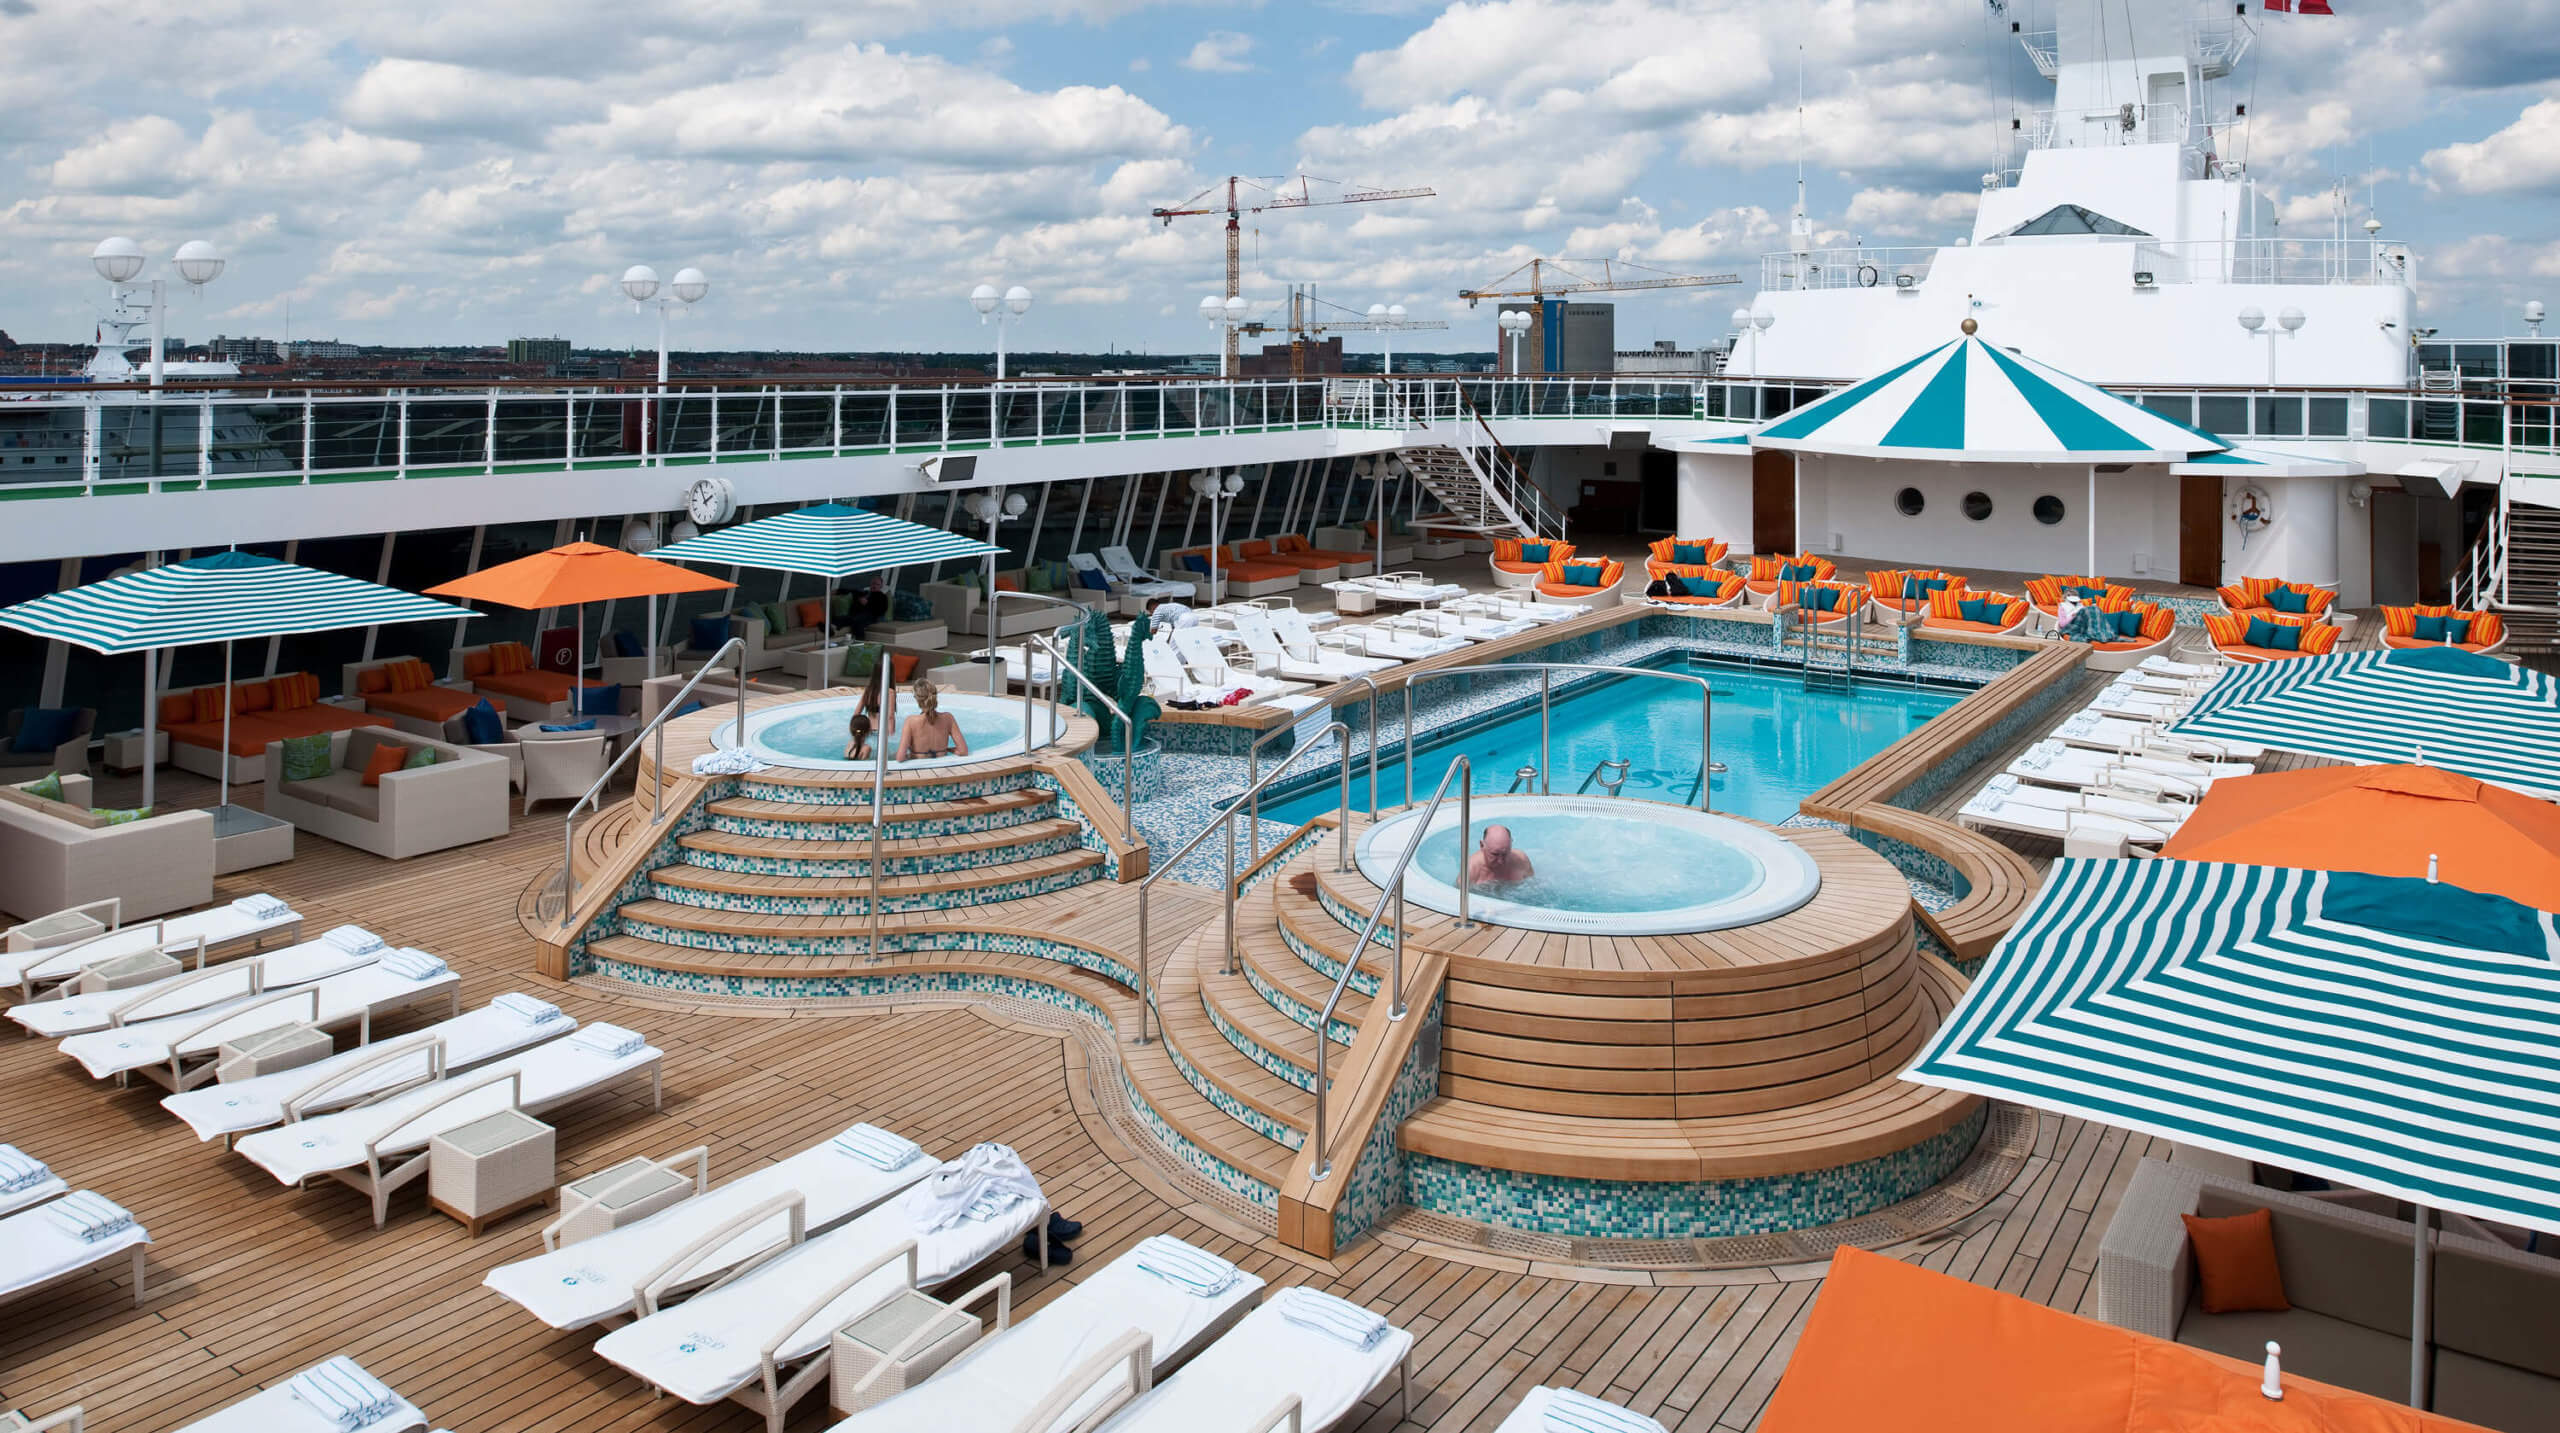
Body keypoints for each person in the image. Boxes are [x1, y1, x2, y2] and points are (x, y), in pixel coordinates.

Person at [897, 677, 969, 761]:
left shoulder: (910, 721)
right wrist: (948, 749)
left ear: (916, 698)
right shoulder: (948, 718)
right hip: (941, 759)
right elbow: (963, 751)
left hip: (919, 762)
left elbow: (900, 758)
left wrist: (910, 755)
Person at [844, 660, 896, 760]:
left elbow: (856, 713)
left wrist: (855, 729)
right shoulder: (890, 692)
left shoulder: (868, 690)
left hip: (867, 731)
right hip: (881, 732)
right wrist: (892, 734)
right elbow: (890, 716)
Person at [1467, 823, 1534, 887]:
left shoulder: (1521, 860)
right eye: (1495, 854)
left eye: (1505, 854)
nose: (1500, 861)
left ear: (1511, 844)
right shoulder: (1471, 870)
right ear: (1482, 845)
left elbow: (1532, 885)